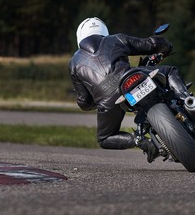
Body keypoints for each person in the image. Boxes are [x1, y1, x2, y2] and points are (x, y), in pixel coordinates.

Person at [68, 17, 187, 163]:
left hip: (108, 100)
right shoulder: (116, 39)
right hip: (129, 77)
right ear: (104, 31)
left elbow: (84, 102)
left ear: (79, 37)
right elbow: (151, 44)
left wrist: (98, 98)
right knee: (169, 71)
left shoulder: (73, 63)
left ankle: (141, 141)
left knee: (104, 139)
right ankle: (185, 100)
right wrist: (166, 46)